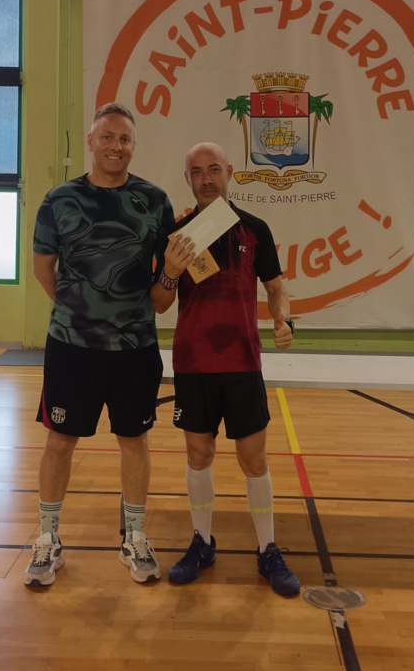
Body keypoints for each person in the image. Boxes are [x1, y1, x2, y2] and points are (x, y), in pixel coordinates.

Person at [25, 102, 194, 589]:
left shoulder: (154, 201)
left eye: (124, 139)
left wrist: (170, 274)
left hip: (135, 348)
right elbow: (43, 268)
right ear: (90, 141)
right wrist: (78, 312)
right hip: (71, 348)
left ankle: (134, 537)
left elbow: (163, 297)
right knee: (60, 441)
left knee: (134, 441)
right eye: (107, 137)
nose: (115, 146)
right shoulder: (59, 199)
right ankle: (48, 538)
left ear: (133, 146)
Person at [152, 141, 301, 597]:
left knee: (253, 459)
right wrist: (170, 271)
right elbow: (160, 303)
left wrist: (283, 318)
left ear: (229, 172)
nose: (206, 179)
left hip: (242, 362)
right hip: (194, 363)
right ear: (188, 179)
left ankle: (268, 549)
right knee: (198, 455)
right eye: (196, 172)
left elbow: (276, 287)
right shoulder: (177, 235)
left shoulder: (255, 229)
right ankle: (202, 543)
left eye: (213, 169)